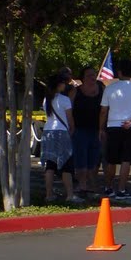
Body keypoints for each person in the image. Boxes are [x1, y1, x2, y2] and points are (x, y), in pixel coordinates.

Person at [99, 60, 131, 200]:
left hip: (113, 125)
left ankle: (109, 188)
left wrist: (101, 128)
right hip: (130, 126)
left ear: (119, 72)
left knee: (111, 159)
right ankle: (121, 189)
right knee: (126, 159)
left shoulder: (110, 88)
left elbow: (103, 111)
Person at [42, 73, 81, 203]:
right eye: (64, 82)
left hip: (48, 131)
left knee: (50, 165)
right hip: (61, 132)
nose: (65, 85)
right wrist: (72, 130)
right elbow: (70, 119)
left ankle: (49, 194)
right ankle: (70, 195)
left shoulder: (46, 99)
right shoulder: (64, 100)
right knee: (66, 164)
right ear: (59, 84)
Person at [71, 67, 104, 196]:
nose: (92, 77)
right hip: (79, 130)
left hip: (97, 130)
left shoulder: (102, 90)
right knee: (80, 157)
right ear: (83, 78)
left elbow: (106, 109)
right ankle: (82, 184)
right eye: (89, 75)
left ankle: (92, 184)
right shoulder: (75, 92)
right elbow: (68, 109)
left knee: (94, 159)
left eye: (94, 75)